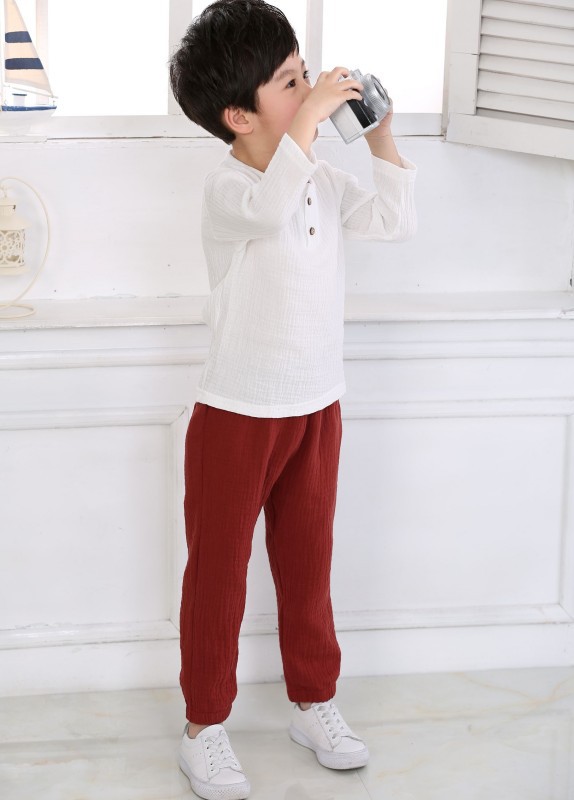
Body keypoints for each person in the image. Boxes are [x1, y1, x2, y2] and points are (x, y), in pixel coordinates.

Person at [169, 1, 417, 797]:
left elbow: (393, 221)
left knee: (308, 568)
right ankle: (204, 727)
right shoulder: (228, 189)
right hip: (236, 416)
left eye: (305, 73)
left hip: (316, 408)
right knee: (219, 577)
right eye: (289, 82)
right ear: (238, 116)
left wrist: (379, 136)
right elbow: (271, 203)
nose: (310, 89)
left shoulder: (321, 178)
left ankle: (314, 702)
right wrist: (311, 124)